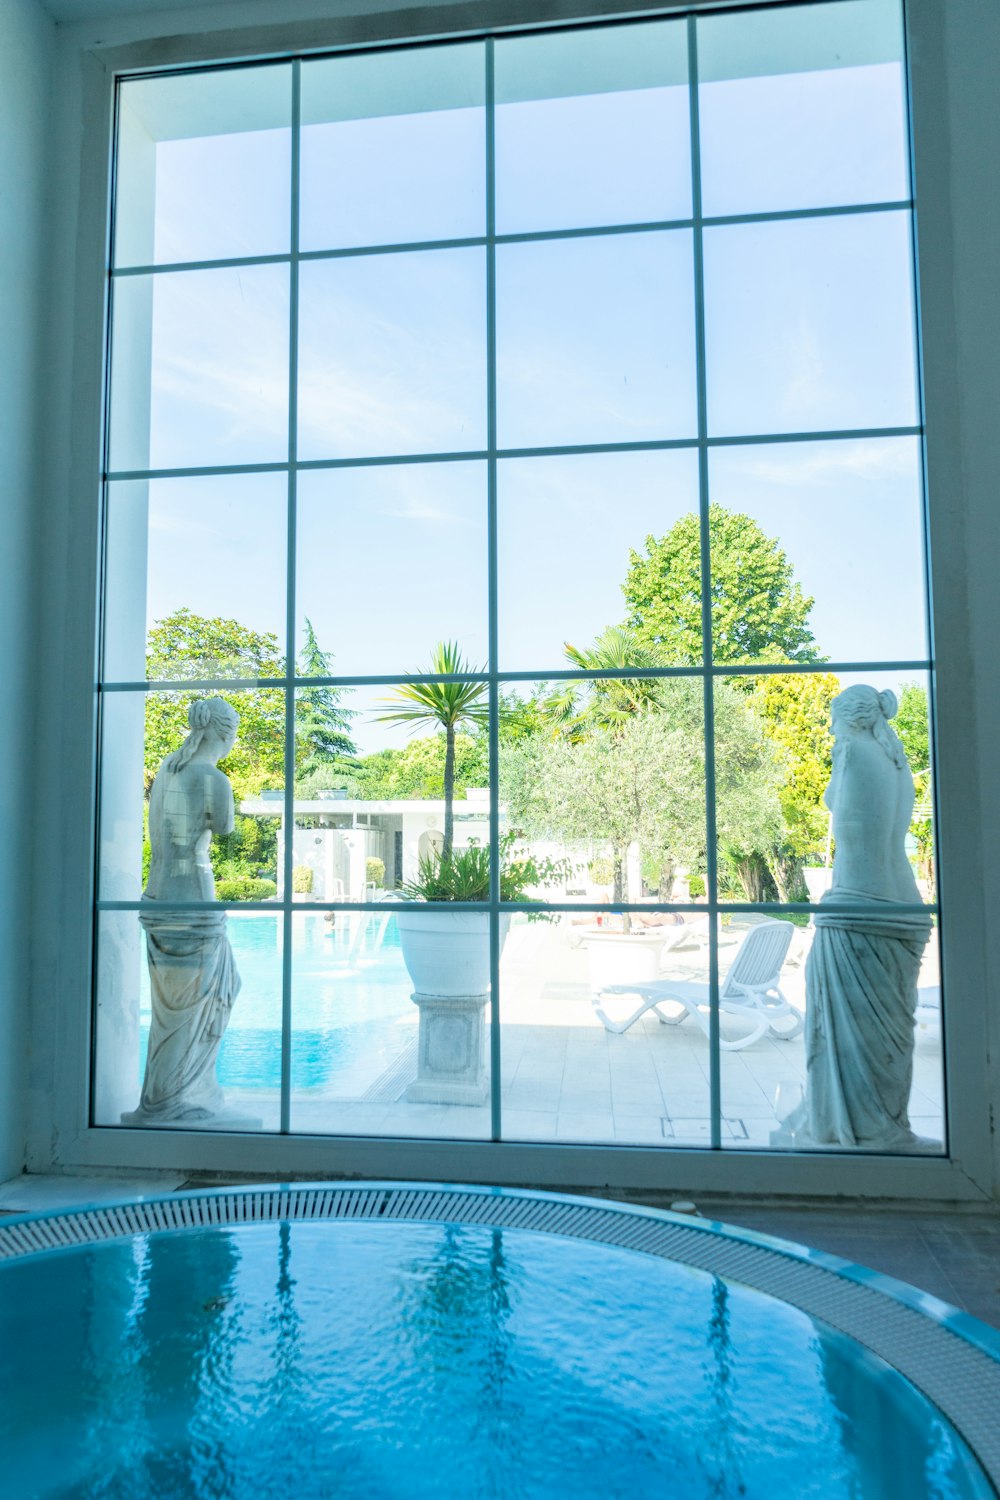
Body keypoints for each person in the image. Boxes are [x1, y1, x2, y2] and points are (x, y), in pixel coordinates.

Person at [778, 685, 932, 1149]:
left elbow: (848, 825)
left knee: (846, 1034)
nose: (828, 728)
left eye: (833, 717)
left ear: (852, 719)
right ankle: (878, 1124)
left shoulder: (852, 752)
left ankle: (857, 1128)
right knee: (882, 1036)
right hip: (902, 904)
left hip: (857, 906)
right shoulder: (894, 761)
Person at [124, 697, 242, 1124]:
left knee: (171, 1008)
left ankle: (174, 1092)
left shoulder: (166, 774)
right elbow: (225, 827)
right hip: (194, 895)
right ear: (225, 733)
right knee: (199, 1002)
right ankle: (171, 1099)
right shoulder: (213, 779)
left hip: (156, 895)